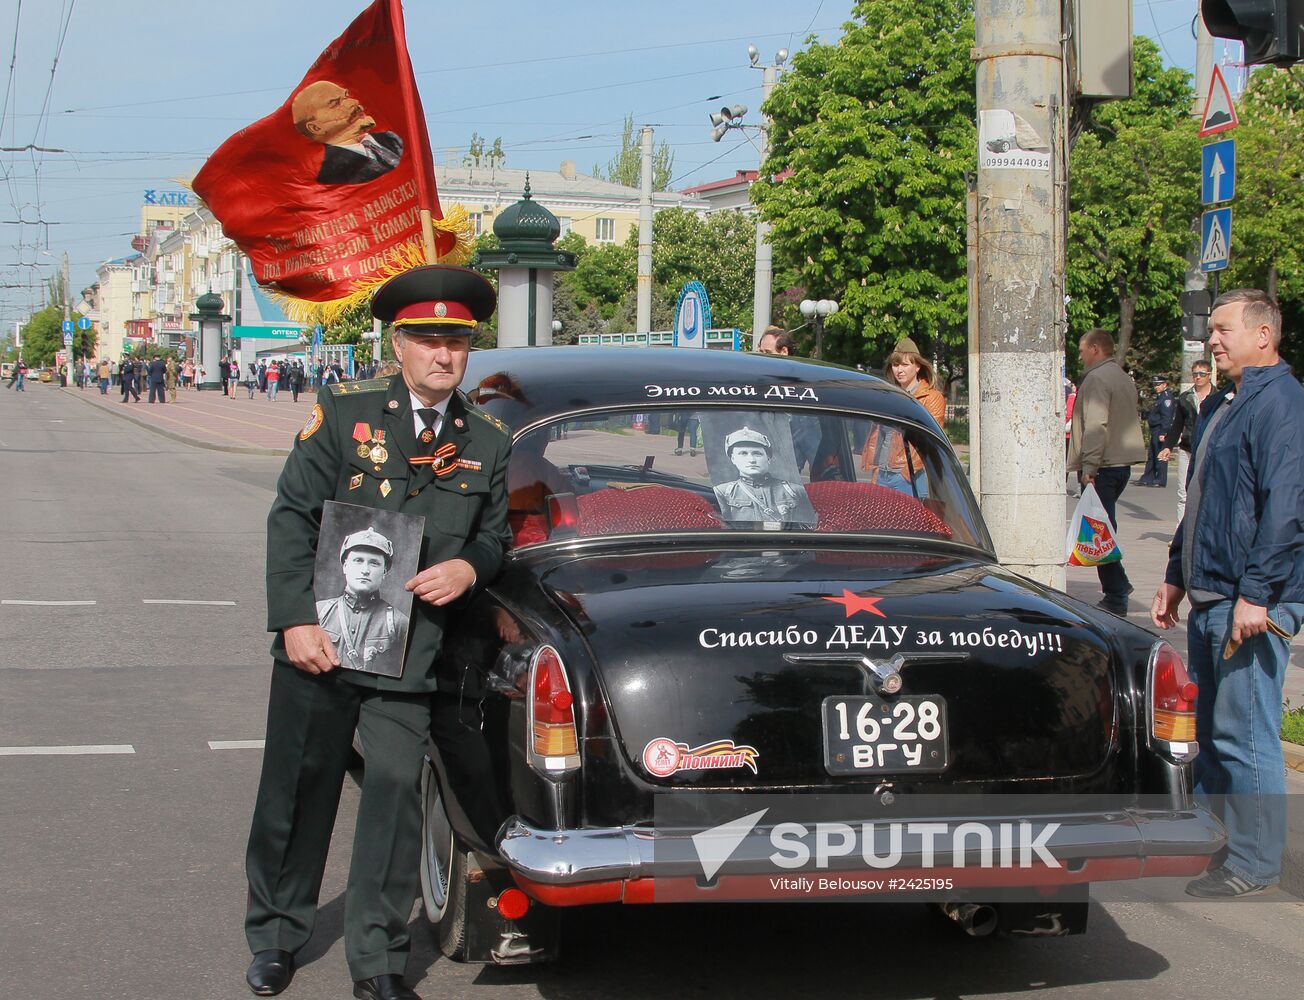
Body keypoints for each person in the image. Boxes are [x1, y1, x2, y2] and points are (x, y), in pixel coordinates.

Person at [243, 265, 511, 1000]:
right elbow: (293, 516)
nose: (443, 354)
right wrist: (294, 618)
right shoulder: (345, 412)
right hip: (320, 645)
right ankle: (276, 934)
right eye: (427, 339)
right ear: (398, 344)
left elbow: (493, 538)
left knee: (393, 794)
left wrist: (467, 568)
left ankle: (379, 960)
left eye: (456, 340)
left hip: (410, 651)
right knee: (298, 794)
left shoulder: (485, 440)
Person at [1150, 289, 1304, 898]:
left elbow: (1287, 510)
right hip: (1215, 595)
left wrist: (1258, 595)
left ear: (1263, 336)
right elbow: (1205, 499)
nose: (1213, 340)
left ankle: (1253, 864)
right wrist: (1174, 575)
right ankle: (1219, 846)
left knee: (1246, 737)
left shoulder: (1283, 404)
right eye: (1212, 331)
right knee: (1215, 733)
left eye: (1223, 330)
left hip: (1250, 602)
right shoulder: (1230, 403)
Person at [1066, 328, 1146, 615]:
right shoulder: (1120, 375)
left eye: (1082, 349)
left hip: (1103, 465)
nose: (1080, 355)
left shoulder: (1097, 378)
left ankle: (1116, 593)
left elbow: (1096, 425)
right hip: (1118, 463)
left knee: (1099, 534)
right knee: (1103, 529)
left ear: (1096, 349)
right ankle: (1117, 587)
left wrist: (1089, 466)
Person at [315, 528, 410, 677]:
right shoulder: (319, 612)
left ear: (384, 571)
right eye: (358, 560)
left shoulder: (398, 623)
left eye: (374, 563)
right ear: (345, 566)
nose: (365, 570)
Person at [859, 338, 945, 495]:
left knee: (911, 520)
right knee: (880, 520)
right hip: (882, 474)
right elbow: (880, 437)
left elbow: (930, 442)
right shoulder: (890, 396)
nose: (899, 370)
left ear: (917, 366)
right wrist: (876, 470)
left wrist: (906, 473)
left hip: (908, 476)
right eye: (895, 365)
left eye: (905, 365)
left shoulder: (930, 397)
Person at [291, 80, 405, 186]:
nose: (354, 102)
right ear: (316, 128)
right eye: (335, 103)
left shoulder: (393, 139)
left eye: (346, 96)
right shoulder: (331, 177)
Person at [1158, 360, 1216, 525]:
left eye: (1202, 374)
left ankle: (1203, 528)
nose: (1198, 377)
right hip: (1187, 448)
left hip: (1208, 448)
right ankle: (1180, 533)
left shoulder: (1218, 397)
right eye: (1195, 374)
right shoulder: (1185, 398)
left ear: (1209, 375)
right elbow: (1177, 425)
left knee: (1206, 490)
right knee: (1184, 492)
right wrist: (1168, 446)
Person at [713, 426, 808, 524]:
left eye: (757, 454)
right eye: (743, 453)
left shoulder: (794, 491)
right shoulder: (722, 492)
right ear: (733, 459)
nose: (752, 460)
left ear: (768, 458)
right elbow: (725, 530)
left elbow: (808, 528)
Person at [1137, 375, 1175, 487]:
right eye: (1155, 385)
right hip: (1155, 430)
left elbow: (1167, 417)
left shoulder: (1167, 398)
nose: (1156, 387)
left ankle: (1160, 479)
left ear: (1165, 385)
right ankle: (1148, 477)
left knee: (1160, 454)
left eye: (1158, 384)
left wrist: (1164, 432)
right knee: (1152, 454)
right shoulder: (1160, 397)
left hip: (1160, 429)